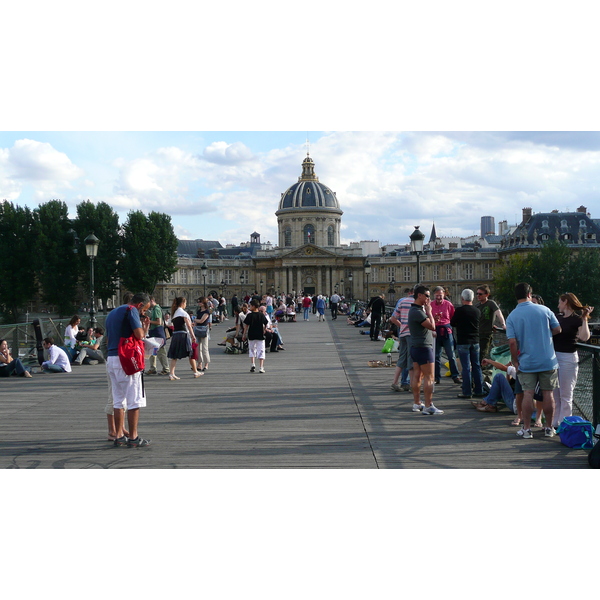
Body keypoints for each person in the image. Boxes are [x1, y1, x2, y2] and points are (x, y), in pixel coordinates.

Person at [506, 282, 561, 439]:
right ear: (530, 294)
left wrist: (515, 361)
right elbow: (557, 329)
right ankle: (549, 428)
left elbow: (512, 342)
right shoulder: (545, 310)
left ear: (516, 297)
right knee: (548, 394)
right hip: (547, 360)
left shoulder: (512, 316)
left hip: (527, 361)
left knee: (528, 393)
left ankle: (527, 429)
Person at [105, 292, 151, 447]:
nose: (143, 313)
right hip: (126, 359)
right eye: (144, 310)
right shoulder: (131, 310)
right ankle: (133, 437)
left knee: (118, 400)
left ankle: (119, 435)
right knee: (134, 400)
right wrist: (144, 327)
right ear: (139, 305)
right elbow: (139, 335)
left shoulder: (113, 312)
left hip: (111, 358)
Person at [551, 292, 593, 428]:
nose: (558, 305)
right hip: (554, 356)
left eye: (560, 302)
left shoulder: (577, 319)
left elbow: (584, 337)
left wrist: (585, 319)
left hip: (568, 357)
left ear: (566, 303)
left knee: (566, 393)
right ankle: (555, 422)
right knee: (555, 394)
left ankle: (565, 424)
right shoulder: (557, 317)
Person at [408, 285, 443, 414]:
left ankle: (417, 403)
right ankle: (428, 406)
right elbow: (433, 327)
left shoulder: (414, 311)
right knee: (429, 377)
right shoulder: (418, 311)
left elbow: (426, 324)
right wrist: (429, 312)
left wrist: (431, 317)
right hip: (424, 347)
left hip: (416, 347)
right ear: (420, 295)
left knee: (418, 375)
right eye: (427, 295)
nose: (429, 298)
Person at [451, 289, 485, 400]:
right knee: (476, 366)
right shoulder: (477, 311)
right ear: (473, 298)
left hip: (463, 341)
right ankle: (479, 390)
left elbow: (452, 323)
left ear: (462, 298)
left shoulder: (460, 311)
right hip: (475, 341)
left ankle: (467, 391)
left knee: (466, 367)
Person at [430, 286, 461, 385]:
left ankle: (455, 375)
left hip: (446, 330)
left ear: (444, 294)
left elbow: (453, 317)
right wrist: (434, 320)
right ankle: (436, 377)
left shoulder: (448, 304)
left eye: (440, 295)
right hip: (435, 331)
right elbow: (427, 317)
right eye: (437, 295)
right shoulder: (430, 305)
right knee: (436, 356)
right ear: (434, 295)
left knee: (451, 355)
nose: (439, 297)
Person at [167, 296, 203, 380]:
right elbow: (188, 325)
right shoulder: (183, 313)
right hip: (183, 335)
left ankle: (171, 373)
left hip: (175, 334)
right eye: (185, 303)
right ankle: (195, 372)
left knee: (174, 355)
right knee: (190, 353)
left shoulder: (175, 313)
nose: (186, 305)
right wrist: (193, 335)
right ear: (183, 303)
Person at [389, 288, 413, 393]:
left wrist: (402, 325)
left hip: (402, 333)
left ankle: (395, 382)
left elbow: (393, 318)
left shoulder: (402, 301)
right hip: (413, 334)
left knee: (402, 358)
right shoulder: (418, 303)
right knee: (411, 359)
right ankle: (411, 384)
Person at [475, 285, 506, 365]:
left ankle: (479, 372)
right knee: (477, 354)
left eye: (480, 294)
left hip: (486, 334)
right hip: (477, 334)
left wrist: (503, 324)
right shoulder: (477, 306)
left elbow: (498, 313)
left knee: (481, 354)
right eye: (477, 293)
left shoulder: (491, 303)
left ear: (486, 295)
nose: (478, 295)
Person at [242, 299, 269, 373]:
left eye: (250, 306)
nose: (249, 307)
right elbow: (266, 323)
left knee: (252, 349)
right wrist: (264, 329)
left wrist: (244, 334)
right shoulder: (261, 315)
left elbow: (246, 326)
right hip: (260, 334)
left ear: (254, 306)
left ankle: (253, 364)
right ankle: (261, 367)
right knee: (261, 350)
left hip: (251, 334)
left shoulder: (249, 315)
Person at [145, 296, 168, 375]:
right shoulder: (154, 309)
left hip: (157, 333)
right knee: (153, 351)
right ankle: (153, 368)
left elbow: (159, 322)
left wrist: (149, 321)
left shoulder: (157, 309)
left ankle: (166, 369)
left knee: (161, 352)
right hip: (155, 333)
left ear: (151, 301)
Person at [194, 297, 212, 371]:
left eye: (200, 302)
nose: (199, 303)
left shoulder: (207, 312)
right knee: (198, 348)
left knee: (204, 348)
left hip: (204, 329)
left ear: (204, 302)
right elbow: (197, 322)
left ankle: (206, 363)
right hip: (197, 329)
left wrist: (194, 319)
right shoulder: (199, 311)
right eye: (198, 301)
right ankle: (199, 363)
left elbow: (202, 321)